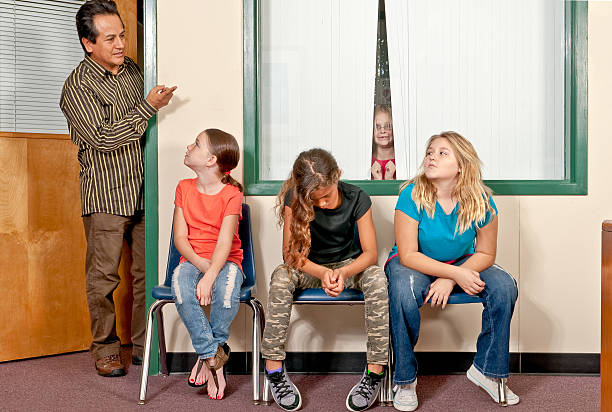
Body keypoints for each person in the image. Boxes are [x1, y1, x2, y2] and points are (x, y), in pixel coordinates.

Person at [60, 0, 176, 377]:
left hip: (144, 191)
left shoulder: (132, 71)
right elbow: (104, 137)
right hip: (107, 195)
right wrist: (148, 107)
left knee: (145, 274)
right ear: (88, 43)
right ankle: (106, 349)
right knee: (103, 279)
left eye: (122, 35)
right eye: (110, 38)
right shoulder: (77, 87)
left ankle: (143, 347)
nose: (120, 44)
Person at [384, 131, 519, 411]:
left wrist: (451, 275)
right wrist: (455, 276)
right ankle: (405, 379)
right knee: (403, 289)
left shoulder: (480, 199)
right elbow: (408, 254)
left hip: (460, 262)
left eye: (442, 152)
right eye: (430, 152)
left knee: (504, 286)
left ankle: (487, 371)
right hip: (413, 262)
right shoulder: (411, 194)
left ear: (461, 165)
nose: (432, 156)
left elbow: (485, 254)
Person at [261, 148, 389, 412]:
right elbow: (289, 255)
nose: (322, 204)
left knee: (377, 277)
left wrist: (343, 273)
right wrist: (321, 273)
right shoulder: (294, 197)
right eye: (315, 200)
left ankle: (375, 371)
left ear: (338, 176)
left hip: (347, 267)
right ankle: (273, 369)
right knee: (280, 278)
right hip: (308, 268)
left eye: (327, 196)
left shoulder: (358, 198)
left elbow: (371, 254)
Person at [172, 129, 244, 400]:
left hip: (226, 262)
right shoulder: (183, 187)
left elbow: (226, 243)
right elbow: (180, 238)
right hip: (193, 259)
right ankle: (213, 357)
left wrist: (211, 275)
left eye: (197, 144)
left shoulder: (232, 194)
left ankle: (205, 357)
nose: (189, 146)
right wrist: (202, 268)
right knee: (180, 286)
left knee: (226, 294)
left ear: (211, 159)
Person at [371, 105, 396, 180]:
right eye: (377, 127)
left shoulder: (402, 163)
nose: (382, 131)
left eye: (388, 126)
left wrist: (390, 179)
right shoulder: (367, 162)